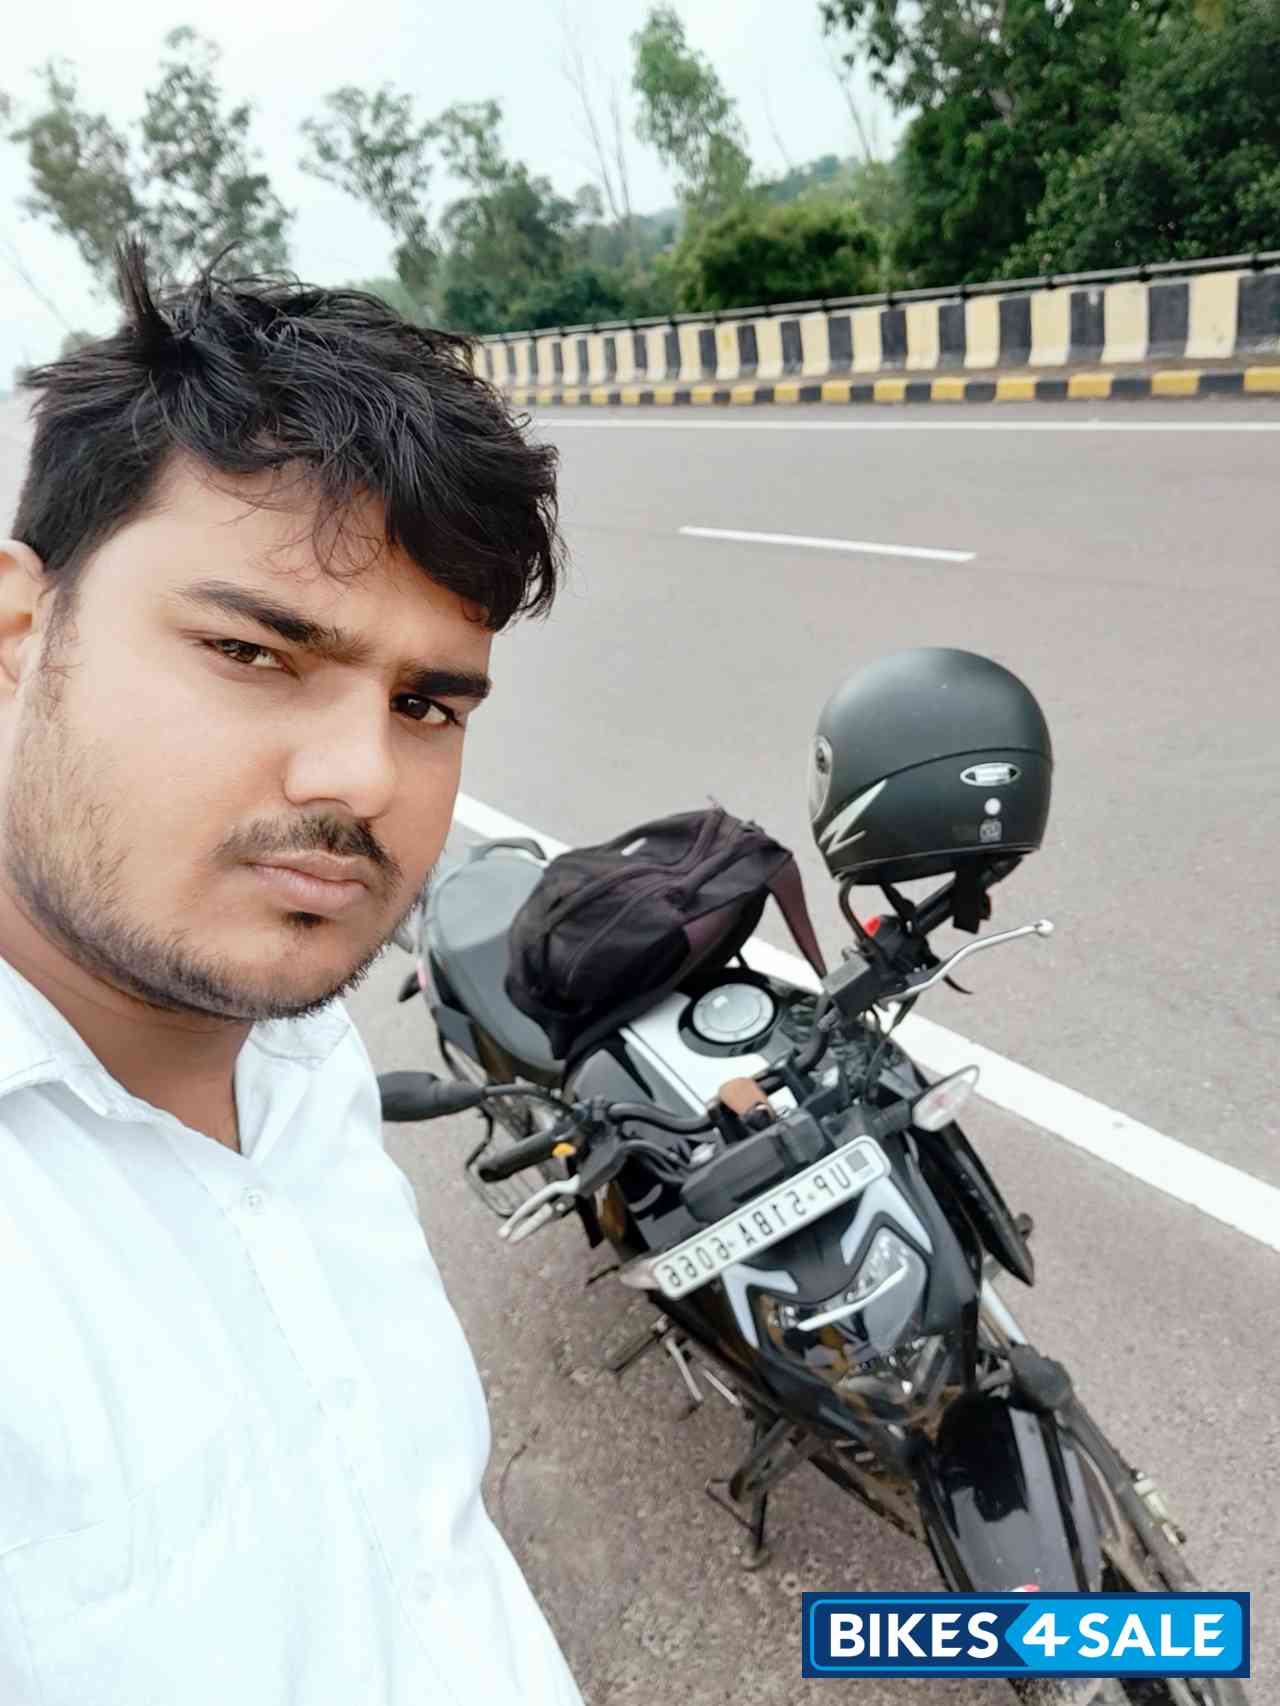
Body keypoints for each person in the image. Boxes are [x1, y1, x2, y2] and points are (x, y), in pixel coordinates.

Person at [0, 241, 582, 1706]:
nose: (363, 779)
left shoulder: (295, 1048)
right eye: (254, 653)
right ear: (18, 633)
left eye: (428, 704)